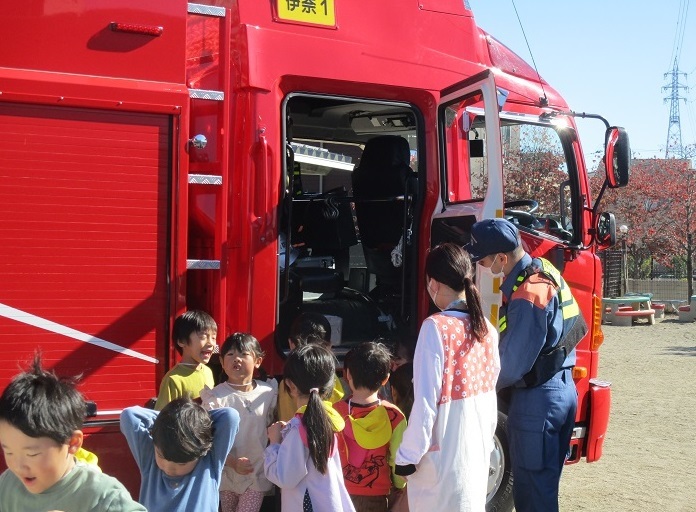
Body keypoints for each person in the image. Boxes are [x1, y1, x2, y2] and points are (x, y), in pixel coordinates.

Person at [464, 218, 583, 512]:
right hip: (560, 391)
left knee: (532, 495)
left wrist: (475, 387)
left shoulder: (526, 295)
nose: (481, 266)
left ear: (502, 258)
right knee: (544, 487)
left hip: (537, 403)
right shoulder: (544, 271)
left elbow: (512, 364)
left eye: (484, 260)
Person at [394, 242, 500, 512]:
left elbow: (426, 404)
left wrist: (407, 455)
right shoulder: (486, 329)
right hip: (474, 455)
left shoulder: (435, 327)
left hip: (442, 465)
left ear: (434, 283)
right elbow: (491, 400)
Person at [0, 355, 146, 512]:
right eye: (9, 452)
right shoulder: (7, 485)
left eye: (32, 454)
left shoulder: (104, 496)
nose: (18, 466)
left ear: (72, 443)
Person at [264, 344, 355, 512]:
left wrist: (274, 443)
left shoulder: (299, 428)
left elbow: (285, 477)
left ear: (291, 386)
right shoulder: (329, 420)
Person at [200, 333, 278, 512]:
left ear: (258, 361)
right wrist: (232, 462)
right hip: (226, 473)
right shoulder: (215, 396)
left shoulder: (268, 393)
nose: (237, 359)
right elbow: (207, 439)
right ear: (221, 361)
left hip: (255, 473)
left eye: (244, 354)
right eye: (230, 354)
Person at [120, 397, 240, 512]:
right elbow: (129, 416)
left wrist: (194, 422)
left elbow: (230, 416)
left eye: (181, 463)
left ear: (201, 452)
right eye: (161, 457)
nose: (170, 468)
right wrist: (170, 420)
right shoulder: (149, 459)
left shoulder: (209, 461)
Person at [334, 342, 407, 512]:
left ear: (348, 375)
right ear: (385, 379)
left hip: (339, 493)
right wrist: (399, 486)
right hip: (378, 497)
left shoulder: (335, 412)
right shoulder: (394, 416)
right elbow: (398, 459)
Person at [277, 312, 345, 422]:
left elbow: (284, 422)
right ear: (329, 347)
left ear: (291, 344)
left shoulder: (286, 383)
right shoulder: (332, 381)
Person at [154, 310, 218, 410]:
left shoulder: (208, 372)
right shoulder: (173, 379)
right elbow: (163, 417)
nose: (211, 343)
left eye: (213, 338)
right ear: (182, 341)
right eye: (203, 337)